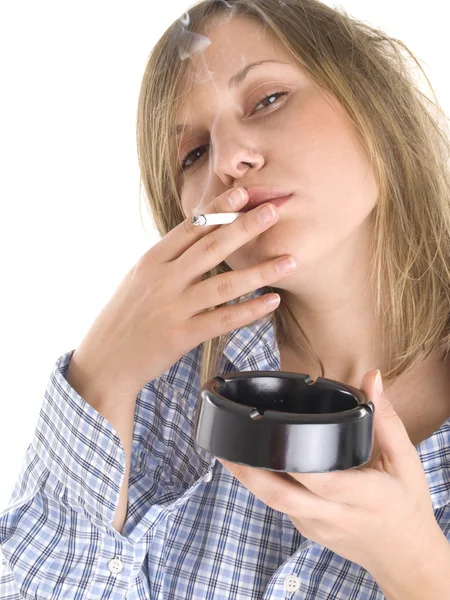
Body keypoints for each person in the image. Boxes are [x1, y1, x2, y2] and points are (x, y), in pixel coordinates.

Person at [1, 0, 450, 597]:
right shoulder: (161, 393)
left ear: (372, 99)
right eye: (194, 154)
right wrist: (100, 373)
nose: (231, 160)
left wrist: (417, 565)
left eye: (267, 100)